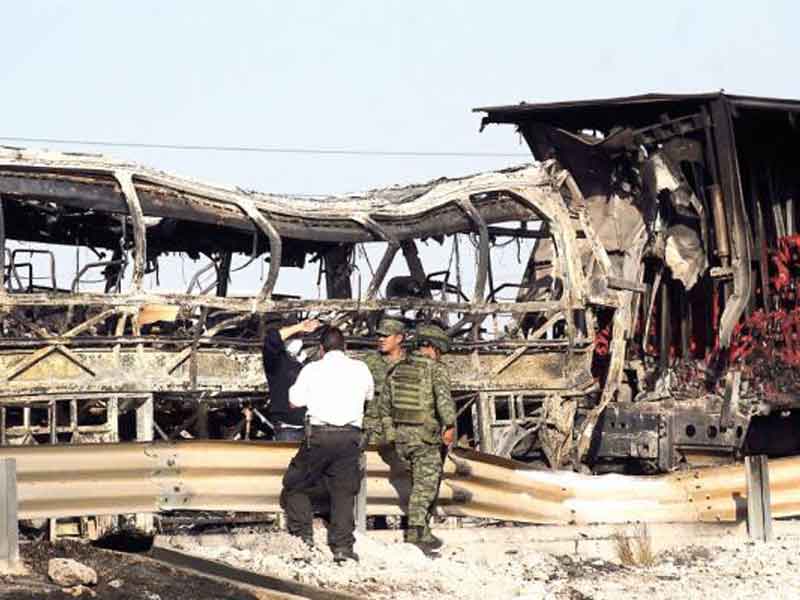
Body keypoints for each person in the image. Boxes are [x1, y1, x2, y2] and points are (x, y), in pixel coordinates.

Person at [280, 326, 373, 563]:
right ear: (345, 347)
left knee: (295, 483)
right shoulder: (361, 368)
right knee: (343, 492)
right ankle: (342, 548)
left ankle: (303, 537)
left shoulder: (312, 369)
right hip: (350, 437)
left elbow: (293, 401)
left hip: (320, 437)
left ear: (321, 349)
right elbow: (369, 396)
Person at [379, 322, 456, 552]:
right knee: (426, 487)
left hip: (401, 440)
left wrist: (392, 434)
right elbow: (444, 401)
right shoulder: (435, 369)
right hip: (424, 439)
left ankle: (424, 531)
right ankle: (415, 534)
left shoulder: (397, 369)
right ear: (432, 347)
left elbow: (384, 407)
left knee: (418, 485)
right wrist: (449, 426)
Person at [261, 318, 320, 441]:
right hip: (288, 429)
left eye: (299, 335)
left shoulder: (305, 360)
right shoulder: (275, 360)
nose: (297, 338)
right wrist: (299, 327)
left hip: (312, 427)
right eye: (293, 335)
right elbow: (272, 339)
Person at [362, 317, 407, 445]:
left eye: (386, 336)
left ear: (399, 338)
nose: (381, 339)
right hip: (373, 429)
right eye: (379, 336)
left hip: (402, 429)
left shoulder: (410, 363)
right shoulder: (369, 362)